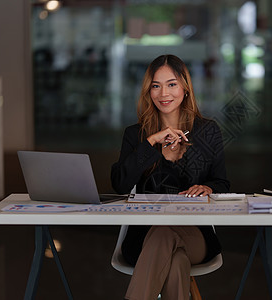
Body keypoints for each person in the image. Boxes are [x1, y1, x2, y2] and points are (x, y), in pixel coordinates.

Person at [111, 54, 230, 300]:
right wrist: (151, 142)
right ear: (148, 91)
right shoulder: (136, 135)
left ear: (185, 88)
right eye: (156, 85)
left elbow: (222, 184)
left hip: (195, 233)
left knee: (166, 233)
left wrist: (207, 188)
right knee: (176, 262)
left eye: (172, 84)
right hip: (143, 237)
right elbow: (120, 184)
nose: (164, 93)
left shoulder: (208, 132)